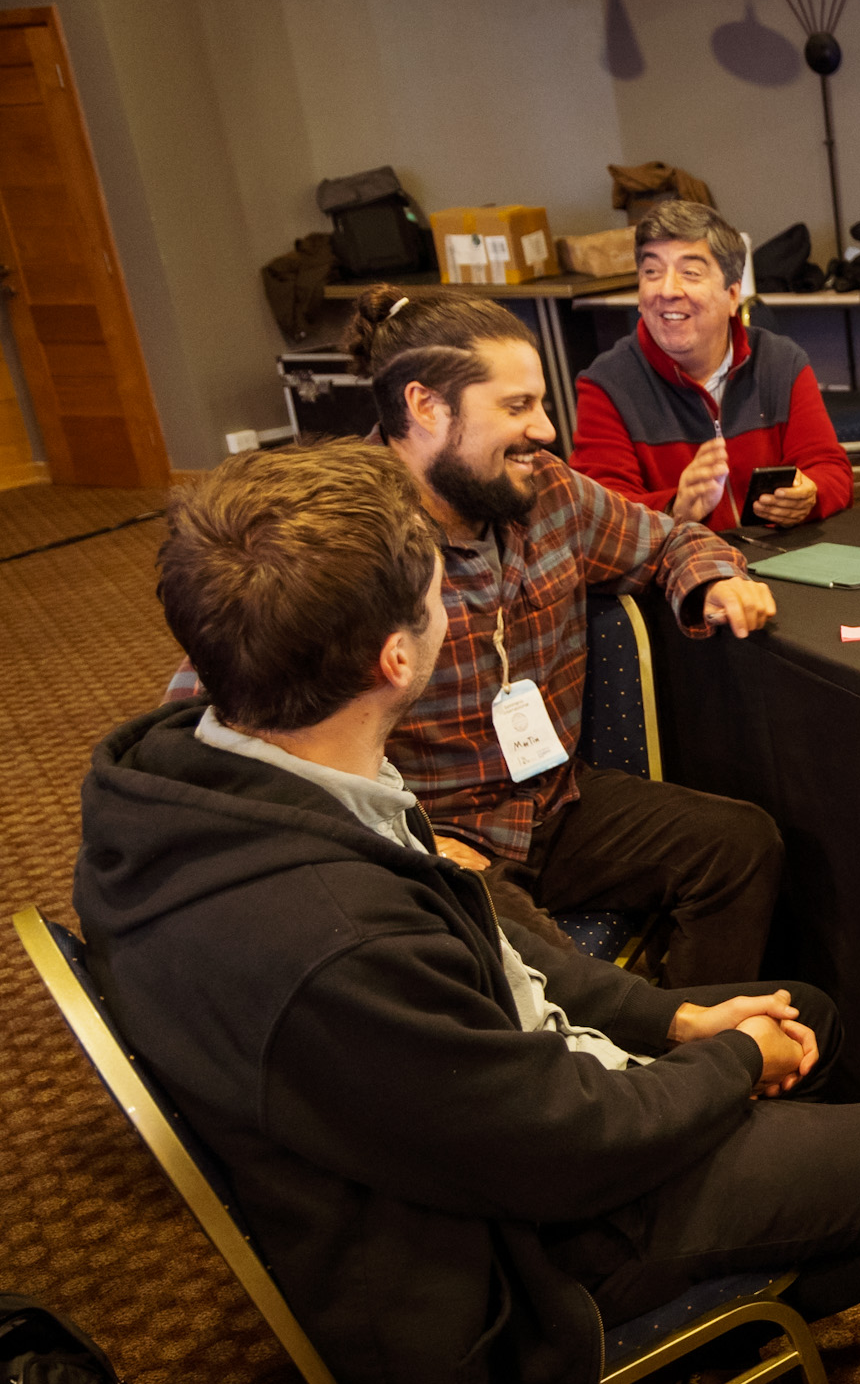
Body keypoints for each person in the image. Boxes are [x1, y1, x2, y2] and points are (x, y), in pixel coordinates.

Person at [81, 443, 860, 1384]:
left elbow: (491, 955)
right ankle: (679, 1352)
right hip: (518, 1259)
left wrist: (674, 1025)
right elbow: (564, 1142)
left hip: (484, 1128)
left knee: (807, 1013)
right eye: (437, 594)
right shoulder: (334, 937)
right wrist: (732, 1063)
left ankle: (717, 1294)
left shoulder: (220, 776)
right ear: (396, 658)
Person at [174, 283, 785, 986]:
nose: (546, 430)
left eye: (542, 404)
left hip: (549, 800)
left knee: (739, 846)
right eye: (517, 407)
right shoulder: (330, 538)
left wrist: (712, 581)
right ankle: (656, 1049)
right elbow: (207, 732)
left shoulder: (545, 489)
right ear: (426, 406)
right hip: (425, 839)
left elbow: (670, 538)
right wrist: (392, 839)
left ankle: (707, 1039)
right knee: (552, 979)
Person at [572, 198, 852, 529]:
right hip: (682, 558)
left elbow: (831, 469)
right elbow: (599, 516)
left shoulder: (780, 362)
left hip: (779, 553)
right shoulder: (607, 385)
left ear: (732, 295)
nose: (667, 290)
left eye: (690, 273)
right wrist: (673, 509)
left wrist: (809, 495)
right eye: (651, 272)